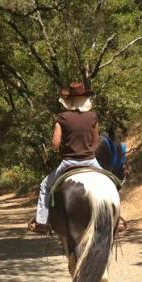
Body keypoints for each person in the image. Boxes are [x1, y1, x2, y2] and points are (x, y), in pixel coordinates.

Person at [28, 82, 102, 234]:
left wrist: (60, 148)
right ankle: (118, 218)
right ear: (85, 99)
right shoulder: (93, 117)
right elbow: (96, 141)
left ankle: (42, 222)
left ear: (69, 100)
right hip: (90, 161)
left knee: (45, 186)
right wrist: (88, 150)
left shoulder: (62, 117)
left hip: (69, 163)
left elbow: (55, 144)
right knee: (113, 182)